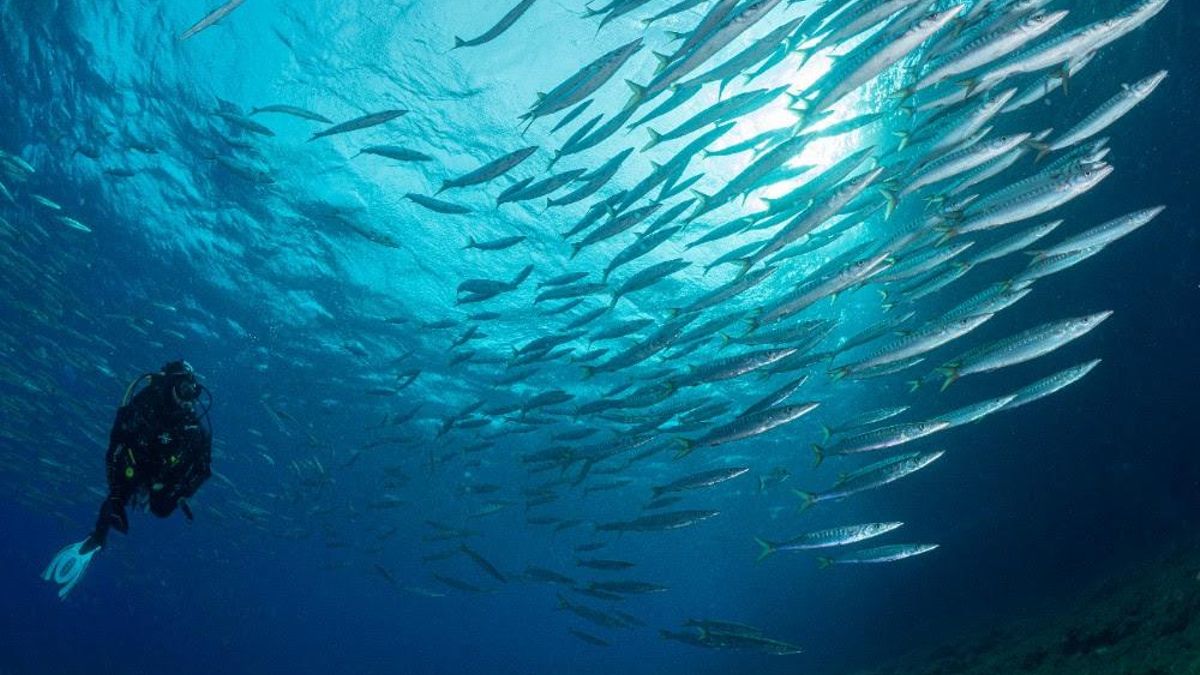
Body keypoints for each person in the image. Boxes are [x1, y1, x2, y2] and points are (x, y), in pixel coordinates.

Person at [43, 360, 213, 599]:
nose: (189, 399)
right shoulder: (144, 404)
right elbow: (114, 447)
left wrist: (179, 491)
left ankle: (137, 501)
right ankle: (96, 538)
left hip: (165, 478)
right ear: (170, 385)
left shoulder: (192, 425)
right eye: (184, 390)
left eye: (192, 392)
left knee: (161, 509)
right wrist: (115, 493)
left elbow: (204, 470)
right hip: (137, 467)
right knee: (117, 499)